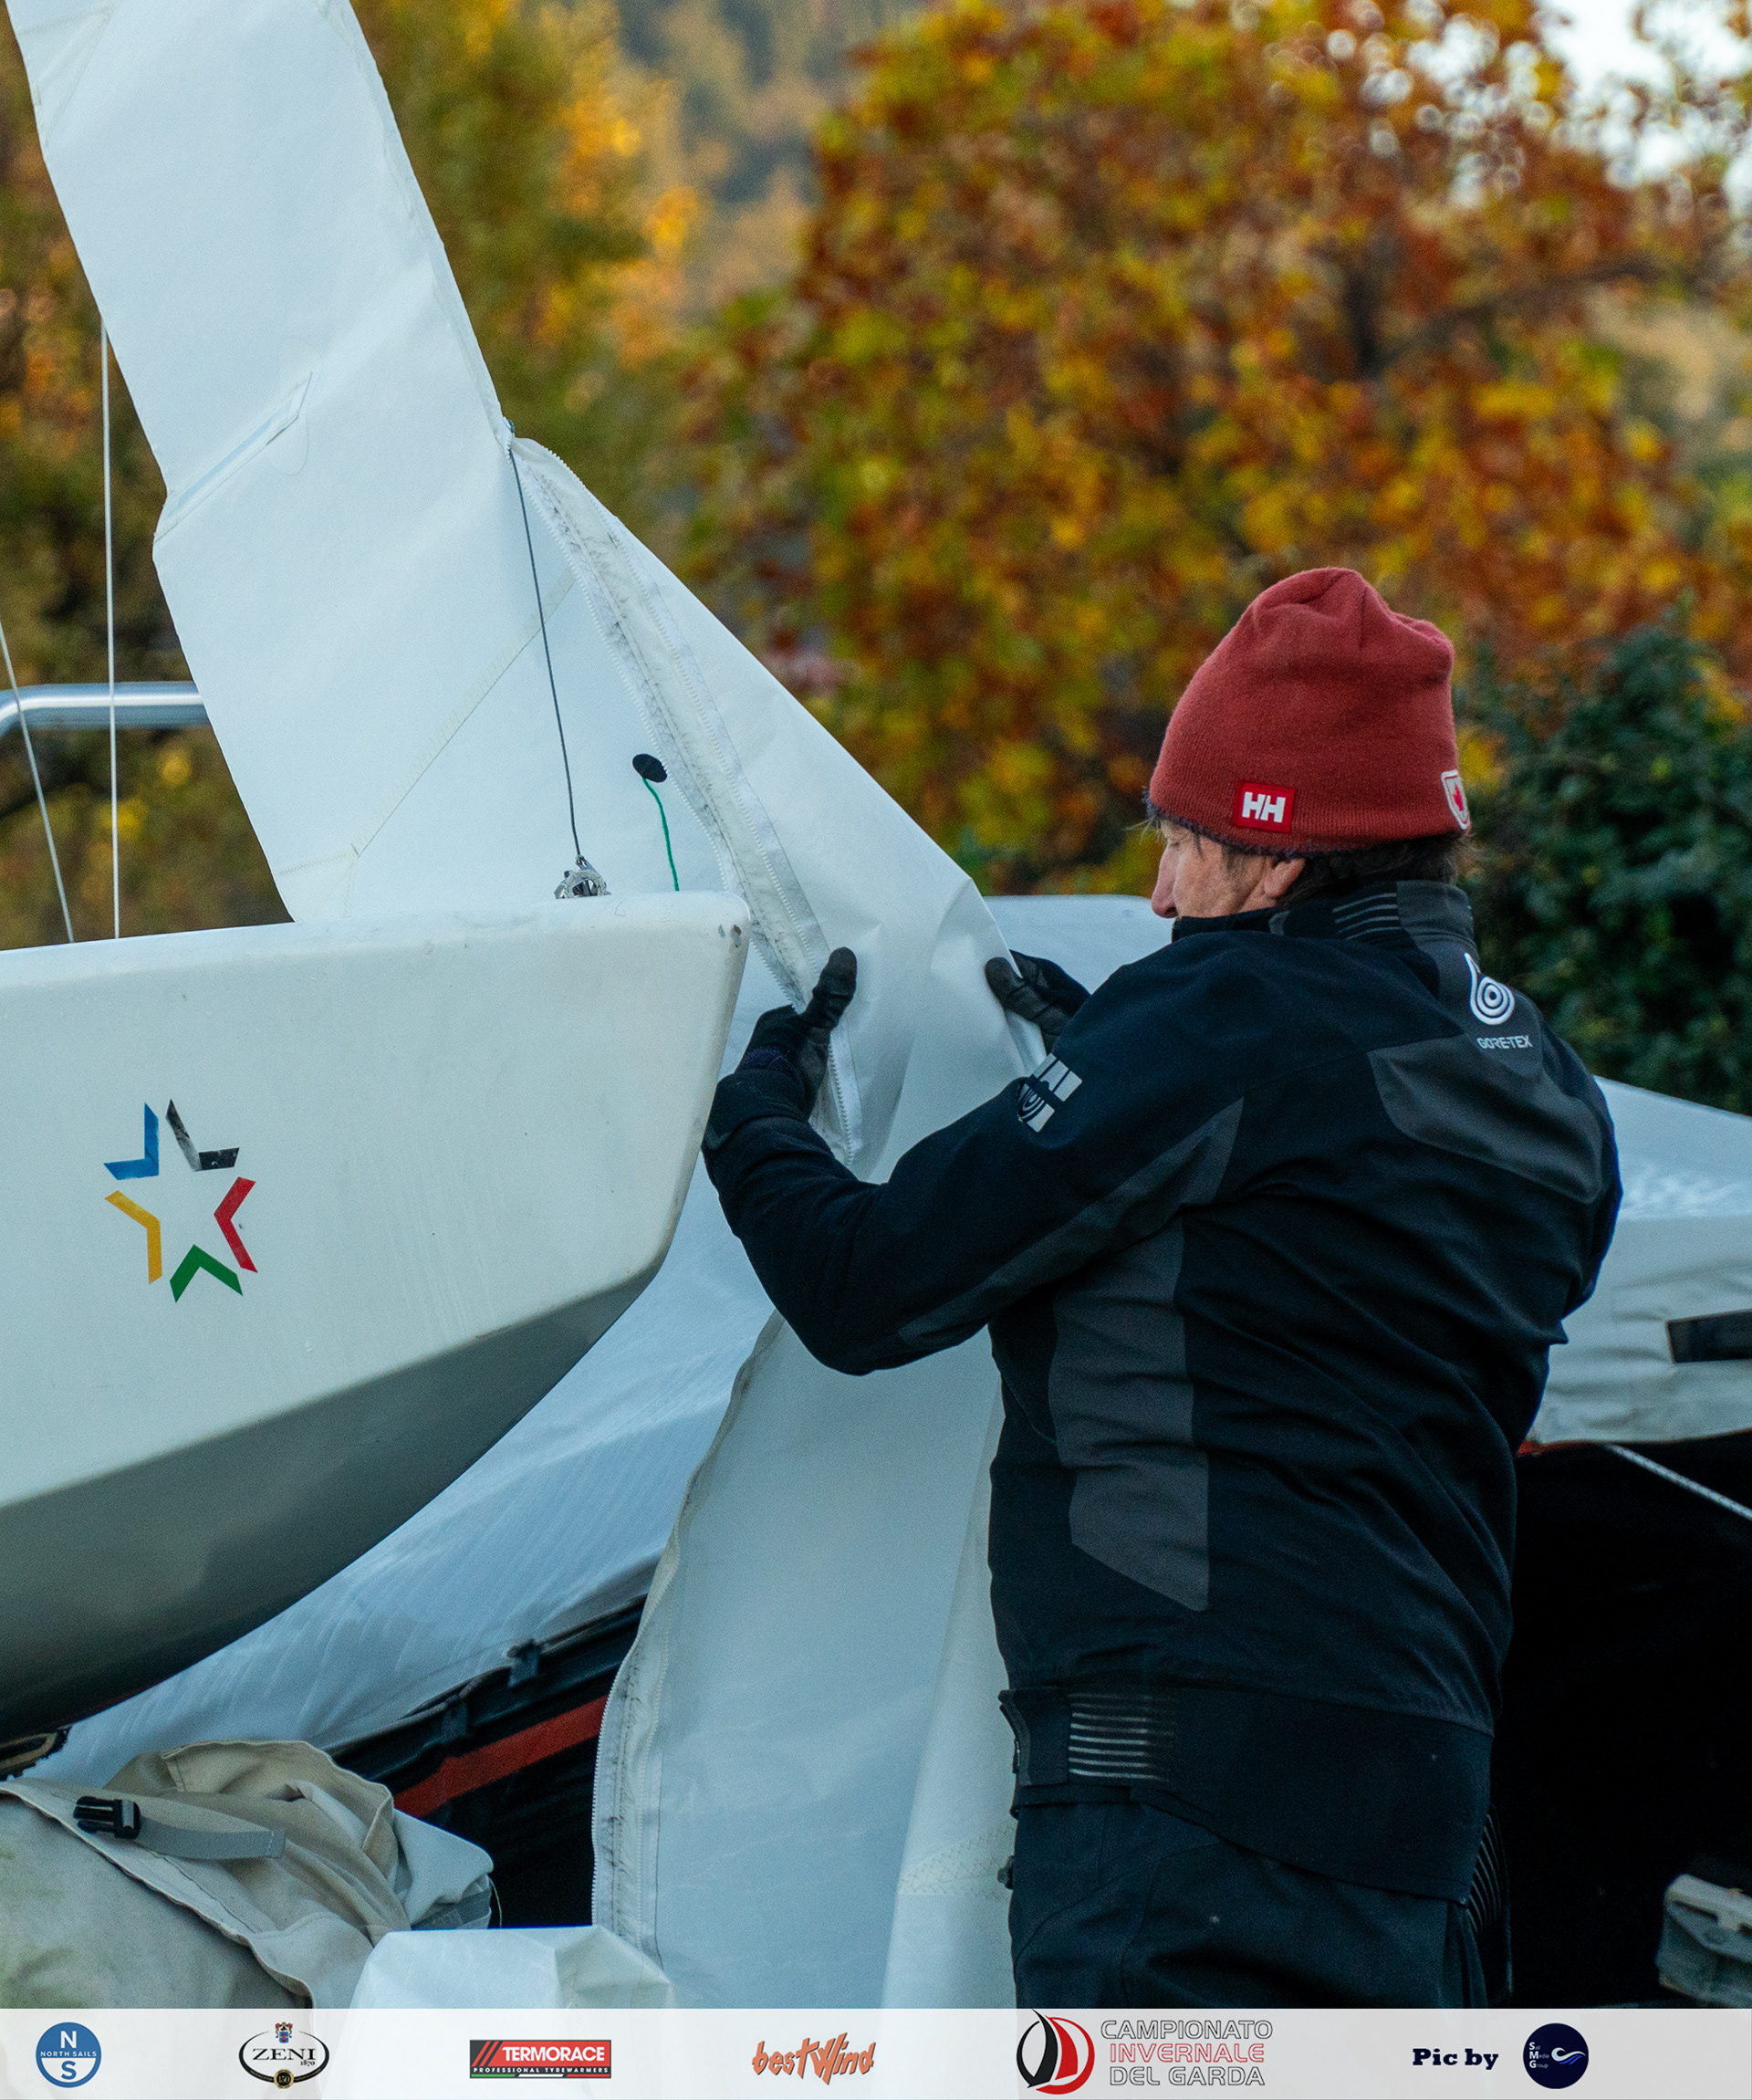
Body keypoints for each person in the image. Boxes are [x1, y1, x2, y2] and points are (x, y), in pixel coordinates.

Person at [702, 568, 1620, 2008]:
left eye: (1179, 841)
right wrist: (1123, 1086)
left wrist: (749, 1109)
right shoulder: (1549, 1085)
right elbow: (1319, 1243)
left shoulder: (1222, 1025)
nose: (1157, 891)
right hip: (1429, 1822)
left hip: (1181, 1823)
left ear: (1274, 855)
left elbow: (862, 1284)